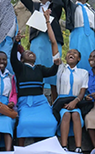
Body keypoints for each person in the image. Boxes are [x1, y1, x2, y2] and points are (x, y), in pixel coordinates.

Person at [10, 10, 60, 144]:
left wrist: (56, 64)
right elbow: (13, 59)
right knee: (24, 123)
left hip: (40, 102)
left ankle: (46, 146)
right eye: (27, 53)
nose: (30, 53)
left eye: (32, 52)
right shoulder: (20, 68)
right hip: (25, 102)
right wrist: (16, 43)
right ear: (22, 58)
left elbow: (51, 72)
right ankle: (21, 150)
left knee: (50, 122)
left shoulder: (39, 68)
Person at [18, 0, 66, 94]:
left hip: (52, 40)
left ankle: (54, 99)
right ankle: (39, 94)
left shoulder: (55, 7)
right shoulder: (35, 6)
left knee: (54, 67)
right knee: (39, 66)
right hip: (38, 39)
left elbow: (59, 3)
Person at [53, 48, 91, 152]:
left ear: (78, 58)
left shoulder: (83, 73)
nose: (71, 54)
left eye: (75, 53)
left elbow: (83, 91)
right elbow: (54, 48)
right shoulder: (61, 69)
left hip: (76, 101)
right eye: (69, 52)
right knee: (65, 114)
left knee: (75, 114)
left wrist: (74, 102)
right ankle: (64, 146)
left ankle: (78, 147)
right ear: (66, 57)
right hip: (62, 101)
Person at [67, 0, 95, 72]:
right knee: (77, 56)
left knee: (91, 56)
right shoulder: (72, 6)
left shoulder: (92, 10)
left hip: (91, 36)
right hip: (77, 34)